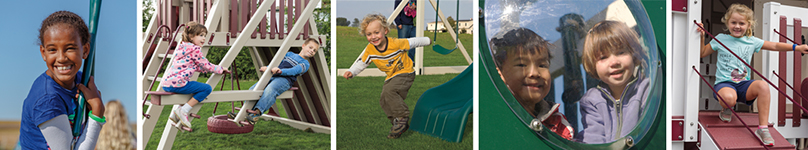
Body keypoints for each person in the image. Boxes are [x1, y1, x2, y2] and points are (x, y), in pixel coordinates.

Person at [696, 4, 808, 146]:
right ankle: (726, 108)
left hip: (743, 85)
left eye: (741, 23)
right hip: (725, 84)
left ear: (749, 25)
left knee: (763, 85)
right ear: (727, 22)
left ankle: (762, 129)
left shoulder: (752, 41)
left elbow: (774, 46)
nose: (737, 26)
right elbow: (702, 53)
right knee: (730, 99)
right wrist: (701, 37)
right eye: (733, 22)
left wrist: (796, 47)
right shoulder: (721, 38)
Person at [19, 11, 106, 150]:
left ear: (85, 50)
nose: (61, 58)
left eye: (70, 48)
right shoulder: (47, 99)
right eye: (52, 50)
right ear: (43, 53)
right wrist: (96, 114)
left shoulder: (81, 81)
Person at [343, 14, 430, 139]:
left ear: (385, 31)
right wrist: (352, 72)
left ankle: (402, 116)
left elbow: (414, 42)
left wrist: (428, 40)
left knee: (390, 91)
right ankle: (397, 122)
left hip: (406, 72)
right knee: (383, 99)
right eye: (369, 34)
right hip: (391, 76)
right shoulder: (370, 50)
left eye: (376, 32)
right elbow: (362, 62)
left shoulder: (396, 43)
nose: (373, 37)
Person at [489, 28, 574, 140]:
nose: (534, 73)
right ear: (500, 74)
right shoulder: (493, 115)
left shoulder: (559, 124)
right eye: (522, 65)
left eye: (542, 66)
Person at [578, 20, 650, 144]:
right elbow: (594, 140)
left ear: (634, 55)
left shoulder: (647, 89)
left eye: (621, 52)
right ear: (593, 65)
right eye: (603, 57)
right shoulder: (592, 100)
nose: (614, 62)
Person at [161, 21, 230, 130]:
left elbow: (194, 66)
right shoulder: (195, 49)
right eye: (201, 35)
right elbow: (206, 64)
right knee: (206, 89)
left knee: (193, 88)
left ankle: (176, 113)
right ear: (191, 36)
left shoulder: (182, 48)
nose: (204, 38)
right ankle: (183, 111)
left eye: (205, 36)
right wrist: (220, 69)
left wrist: (206, 71)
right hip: (179, 83)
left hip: (166, 84)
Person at [243, 38, 320, 123]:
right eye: (310, 47)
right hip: (273, 76)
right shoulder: (289, 54)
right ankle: (243, 112)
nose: (312, 51)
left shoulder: (305, 64)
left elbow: (293, 71)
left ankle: (256, 113)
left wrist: (281, 71)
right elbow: (277, 63)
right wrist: (268, 68)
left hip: (285, 80)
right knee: (253, 88)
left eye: (314, 50)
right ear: (303, 46)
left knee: (270, 89)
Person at [395, 0, 417, 64]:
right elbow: (396, 10)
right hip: (403, 25)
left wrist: (415, 7)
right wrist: (398, 23)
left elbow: (419, 9)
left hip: (413, 24)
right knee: (402, 45)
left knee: (413, 44)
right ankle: (402, 61)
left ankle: (411, 61)